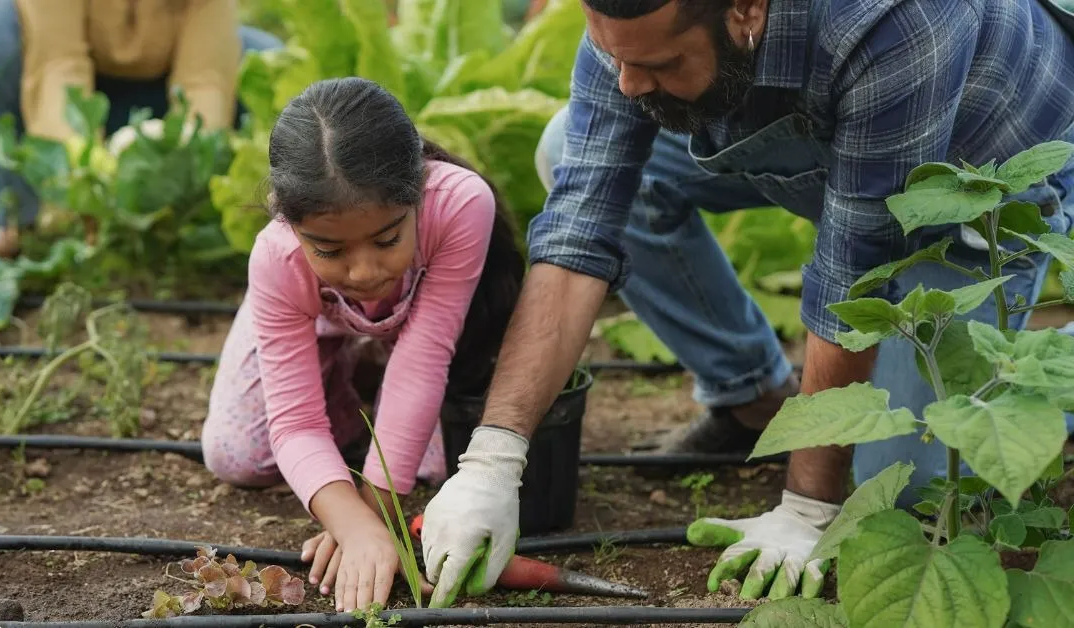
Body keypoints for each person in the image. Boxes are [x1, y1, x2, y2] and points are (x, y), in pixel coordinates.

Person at [422, 0, 1074, 607]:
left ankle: (1057, 375)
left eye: (658, 64)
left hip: (973, 180)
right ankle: (752, 398)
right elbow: (577, 230)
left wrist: (808, 507)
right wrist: (493, 458)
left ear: (745, 10)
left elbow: (855, 276)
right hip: (827, 134)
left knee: (912, 490)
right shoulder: (639, 26)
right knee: (564, 147)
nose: (626, 84)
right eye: (614, 57)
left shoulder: (896, 20)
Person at [200, 77, 526, 613]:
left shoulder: (460, 204)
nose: (365, 269)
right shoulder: (278, 258)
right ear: (289, 220)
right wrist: (350, 524)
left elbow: (423, 363)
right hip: (319, 320)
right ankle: (353, 400)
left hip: (421, 335)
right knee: (237, 455)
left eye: (388, 239)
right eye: (329, 249)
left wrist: (373, 516)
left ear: (416, 191)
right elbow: (296, 421)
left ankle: (368, 404)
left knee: (447, 465)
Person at [0, 0, 284, 259]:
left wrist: (181, 167)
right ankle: (14, 215)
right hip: (74, 86)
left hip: (159, 90)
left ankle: (249, 222)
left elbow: (205, 82)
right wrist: (80, 179)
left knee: (270, 57)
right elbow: (58, 65)